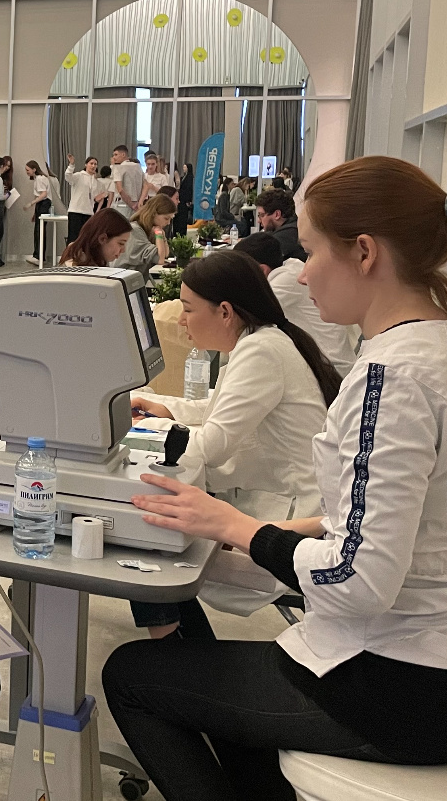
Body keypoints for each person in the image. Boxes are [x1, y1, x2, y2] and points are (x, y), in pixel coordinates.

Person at [104, 155, 447, 801]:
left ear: (363, 252)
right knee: (219, 696)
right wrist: (251, 533)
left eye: (310, 252)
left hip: (407, 684)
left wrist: (241, 529)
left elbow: (359, 581)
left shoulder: (393, 378)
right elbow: (399, 522)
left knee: (133, 677)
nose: (301, 274)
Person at [126, 250, 342, 637]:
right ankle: (180, 647)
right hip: (282, 507)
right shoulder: (262, 340)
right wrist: (164, 409)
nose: (181, 320)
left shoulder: (261, 350)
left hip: (285, 527)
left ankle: (175, 655)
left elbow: (212, 445)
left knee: (146, 534)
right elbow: (218, 407)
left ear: (225, 312)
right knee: (154, 525)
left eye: (188, 309)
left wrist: (142, 431)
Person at [234, 232, 361, 377]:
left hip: (331, 368)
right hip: (321, 361)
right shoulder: (289, 267)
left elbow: (244, 313)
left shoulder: (287, 280)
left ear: (262, 270)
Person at [113, 189, 176, 278]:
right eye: (166, 218)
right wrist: (159, 234)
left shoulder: (149, 229)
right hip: (123, 278)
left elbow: (165, 254)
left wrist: (162, 235)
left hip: (133, 279)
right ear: (154, 214)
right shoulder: (135, 230)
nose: (168, 223)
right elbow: (160, 259)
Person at [60, 208, 132, 267]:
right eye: (121, 243)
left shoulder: (95, 261)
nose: (123, 250)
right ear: (102, 239)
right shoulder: (76, 268)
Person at [256, 187, 305, 261]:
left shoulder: (283, 238)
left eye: (261, 215)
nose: (258, 220)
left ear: (277, 214)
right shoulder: (294, 227)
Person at [23, 159, 51, 264]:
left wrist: (31, 203)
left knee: (40, 231)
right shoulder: (38, 179)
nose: (27, 172)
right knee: (38, 230)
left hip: (44, 204)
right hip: (41, 205)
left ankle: (39, 257)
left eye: (28, 170)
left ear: (34, 169)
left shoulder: (40, 179)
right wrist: (35, 212)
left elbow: (43, 194)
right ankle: (37, 255)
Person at [110, 144, 146, 214]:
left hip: (122, 204)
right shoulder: (138, 167)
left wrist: (131, 205)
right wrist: (140, 201)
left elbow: (120, 190)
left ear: (123, 154)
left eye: (116, 155)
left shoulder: (118, 168)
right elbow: (146, 185)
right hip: (137, 204)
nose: (114, 157)